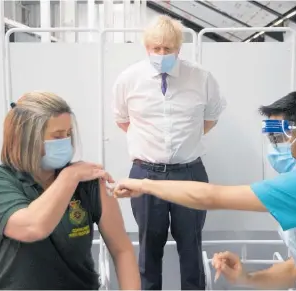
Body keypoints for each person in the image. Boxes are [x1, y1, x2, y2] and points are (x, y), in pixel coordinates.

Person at [114, 89, 296, 290]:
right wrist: (246, 278)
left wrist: (145, 184)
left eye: (278, 138)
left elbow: (211, 196)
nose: (273, 147)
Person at [0, 92, 140, 290]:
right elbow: (33, 227)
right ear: (27, 139)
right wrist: (69, 177)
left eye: (69, 133)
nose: (66, 141)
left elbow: (122, 250)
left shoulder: (90, 184)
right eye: (57, 136)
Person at [111, 14, 226, 290]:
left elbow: (210, 118)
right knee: (149, 248)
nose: (162, 54)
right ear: (146, 47)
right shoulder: (129, 78)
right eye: (156, 49)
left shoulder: (201, 77)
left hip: (189, 171)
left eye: (168, 49)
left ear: (179, 48)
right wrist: (153, 146)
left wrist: (183, 143)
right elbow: (122, 119)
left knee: (191, 246)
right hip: (145, 175)